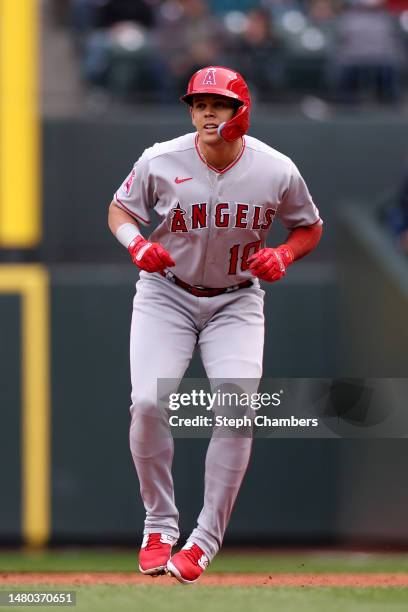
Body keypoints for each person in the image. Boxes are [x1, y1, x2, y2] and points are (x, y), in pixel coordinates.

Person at [107, 66, 323, 584]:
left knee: (236, 405)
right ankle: (159, 523)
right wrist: (136, 244)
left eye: (218, 104)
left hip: (236, 301)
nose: (205, 111)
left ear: (239, 112)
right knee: (148, 402)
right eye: (198, 103)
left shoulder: (275, 168)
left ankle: (203, 540)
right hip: (167, 295)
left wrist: (286, 255)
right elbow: (119, 210)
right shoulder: (161, 159)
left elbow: (309, 226)